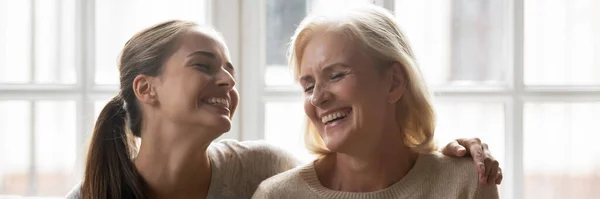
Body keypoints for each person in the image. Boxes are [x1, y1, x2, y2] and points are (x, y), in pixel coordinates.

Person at [66, 20, 501, 199]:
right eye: (203, 65)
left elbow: (356, 175)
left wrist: (446, 155)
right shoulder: (94, 191)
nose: (227, 81)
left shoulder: (263, 171)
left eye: (230, 71)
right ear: (147, 88)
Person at [252, 4, 499, 199]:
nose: (317, 98)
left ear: (394, 82)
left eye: (336, 75)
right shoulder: (276, 195)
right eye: (308, 86)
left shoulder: (467, 183)